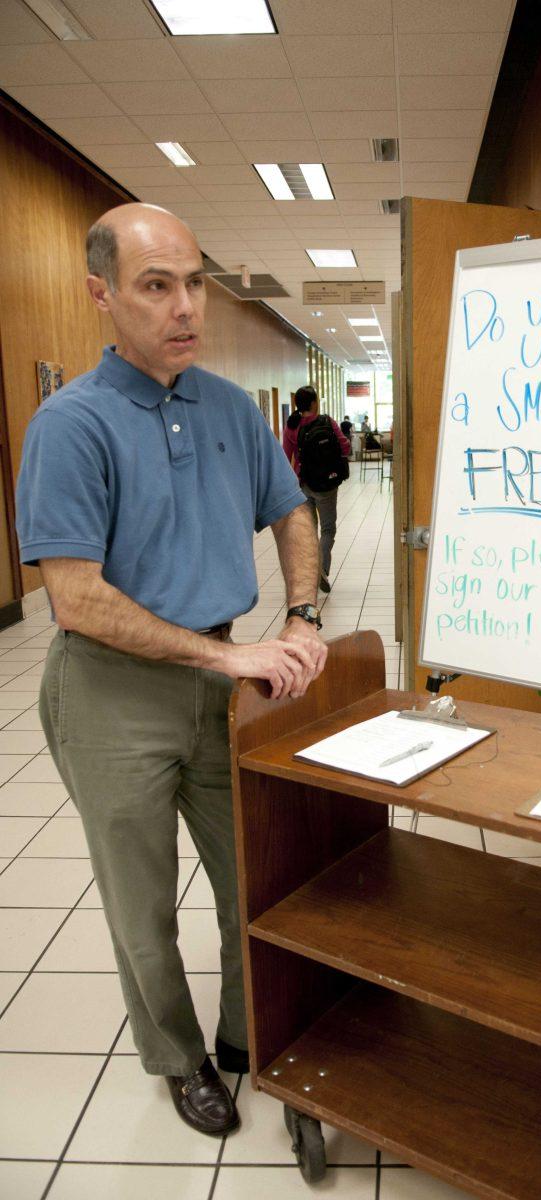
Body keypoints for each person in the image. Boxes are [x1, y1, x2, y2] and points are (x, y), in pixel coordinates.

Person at [14, 202, 328, 1139]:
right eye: (157, 285)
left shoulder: (231, 409)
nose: (185, 305)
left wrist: (302, 611)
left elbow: (293, 511)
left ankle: (244, 1034)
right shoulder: (70, 426)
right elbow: (77, 599)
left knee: (252, 877)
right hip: (111, 695)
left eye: (194, 282)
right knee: (140, 901)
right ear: (102, 294)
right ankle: (179, 1057)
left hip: (224, 687)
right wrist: (225, 653)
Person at [282, 386, 350, 594]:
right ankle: (322, 568)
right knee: (328, 529)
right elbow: (345, 447)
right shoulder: (327, 422)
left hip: (303, 485)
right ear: (313, 403)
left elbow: (286, 457)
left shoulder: (291, 427)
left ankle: (309, 575)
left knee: (310, 531)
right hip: (326, 485)